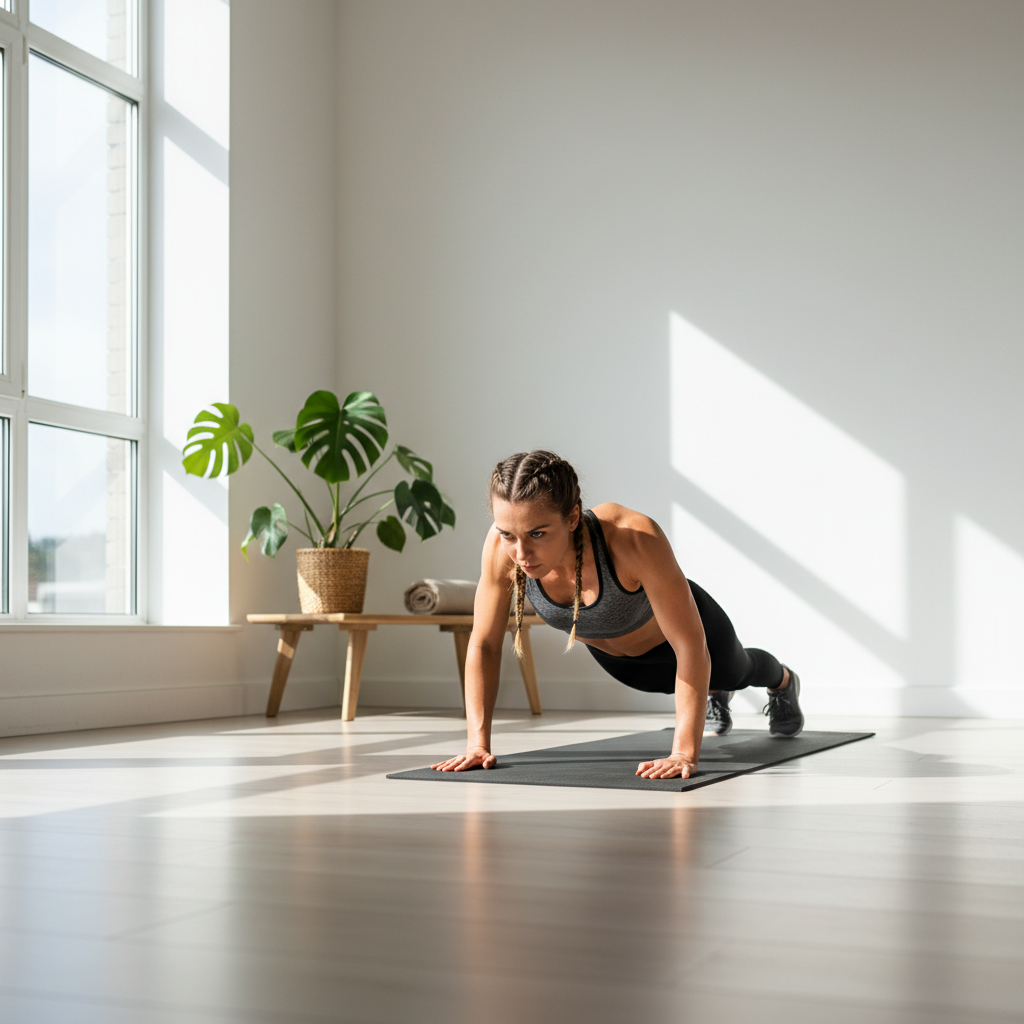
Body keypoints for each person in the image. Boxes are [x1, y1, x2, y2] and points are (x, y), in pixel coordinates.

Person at [431, 450, 803, 781]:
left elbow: (690, 645)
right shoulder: (501, 548)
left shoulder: (633, 537)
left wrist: (682, 753)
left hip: (690, 638)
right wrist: (477, 744)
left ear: (573, 516)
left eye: (538, 533)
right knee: (677, 683)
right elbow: (484, 644)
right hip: (622, 663)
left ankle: (783, 681)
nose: (521, 551)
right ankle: (712, 693)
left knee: (739, 671)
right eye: (508, 534)